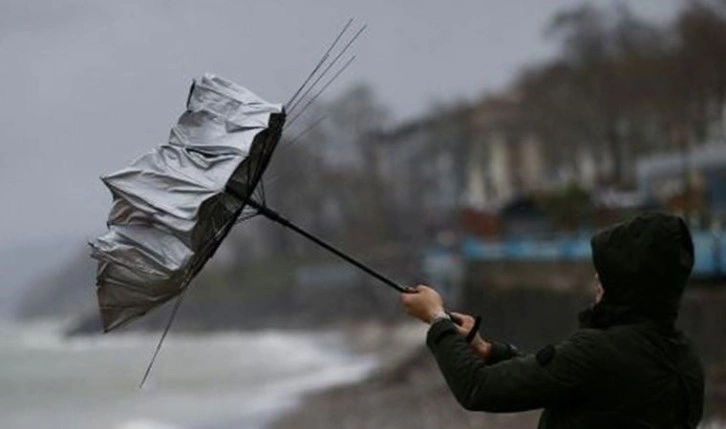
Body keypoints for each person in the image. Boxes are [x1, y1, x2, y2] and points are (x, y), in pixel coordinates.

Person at [401, 212, 704, 428]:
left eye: (608, 273)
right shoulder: (684, 357)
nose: (597, 279)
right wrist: (489, 351)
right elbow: (569, 379)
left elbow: (478, 388)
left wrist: (437, 318)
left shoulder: (597, 352)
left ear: (630, 282)